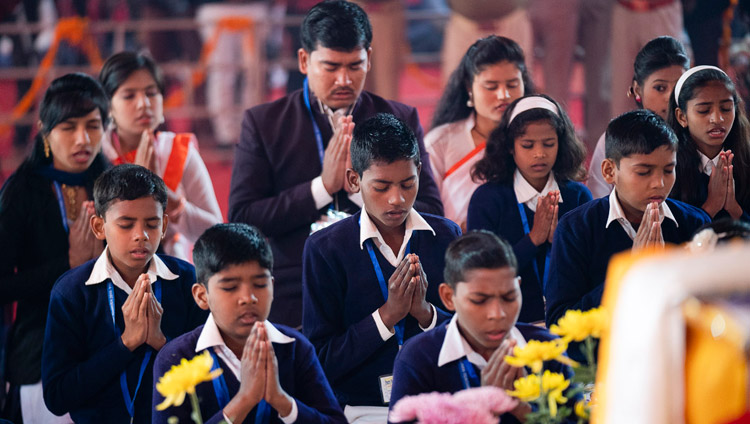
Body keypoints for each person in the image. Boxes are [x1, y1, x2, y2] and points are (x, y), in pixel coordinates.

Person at [228, 0, 443, 328]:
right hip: (296, 286)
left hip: (383, 278)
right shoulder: (265, 123)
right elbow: (242, 219)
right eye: (330, 66)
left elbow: (431, 211)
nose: (344, 79)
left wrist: (362, 191)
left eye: (354, 65)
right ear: (304, 60)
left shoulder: (400, 118)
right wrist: (321, 188)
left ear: (369, 59)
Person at [302, 113, 460, 423]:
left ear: (420, 171)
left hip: (434, 403)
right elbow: (321, 361)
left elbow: (466, 332)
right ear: (354, 180)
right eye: (382, 186)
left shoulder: (444, 236)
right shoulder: (325, 248)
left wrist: (426, 314)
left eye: (407, 184)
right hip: (361, 408)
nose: (397, 199)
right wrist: (387, 316)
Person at [42, 164, 208, 423]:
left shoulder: (188, 282)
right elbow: (56, 397)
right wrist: (126, 343)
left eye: (151, 224)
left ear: (164, 224)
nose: (140, 236)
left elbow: (211, 380)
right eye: (126, 225)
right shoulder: (71, 292)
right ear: (99, 227)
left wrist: (163, 344)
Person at [152, 223, 347, 424]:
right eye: (230, 287)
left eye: (260, 284)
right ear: (202, 296)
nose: (248, 297)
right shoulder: (178, 357)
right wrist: (244, 400)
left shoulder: (294, 347)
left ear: (272, 287)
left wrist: (282, 401)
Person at [0, 73, 109, 424]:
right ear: (45, 130)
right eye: (68, 127)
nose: (83, 139)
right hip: (40, 355)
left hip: (110, 348)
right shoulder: (22, 192)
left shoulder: (111, 185)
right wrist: (69, 265)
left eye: (93, 125)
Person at [545, 109, 711, 330]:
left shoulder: (694, 223)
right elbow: (559, 324)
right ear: (609, 171)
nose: (659, 184)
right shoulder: (577, 228)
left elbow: (711, 312)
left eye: (669, 170)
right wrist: (629, 271)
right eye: (644, 172)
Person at [388, 231, 574, 424]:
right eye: (479, 300)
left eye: (509, 297)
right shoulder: (418, 358)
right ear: (448, 297)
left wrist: (523, 410)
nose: (497, 313)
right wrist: (480, 411)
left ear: (518, 286)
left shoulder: (546, 348)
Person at [468, 95, 591, 324]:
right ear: (510, 147)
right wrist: (533, 239)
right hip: (509, 324)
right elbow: (480, 272)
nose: (539, 154)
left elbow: (591, 269)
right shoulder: (487, 199)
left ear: (561, 144)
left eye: (548, 144)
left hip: (570, 324)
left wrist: (562, 243)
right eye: (527, 145)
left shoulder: (578, 195)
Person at [99, 51, 223, 262]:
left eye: (151, 93)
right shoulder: (97, 155)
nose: (143, 104)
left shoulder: (177, 150)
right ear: (109, 107)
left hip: (173, 269)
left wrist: (168, 197)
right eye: (129, 95)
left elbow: (218, 237)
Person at [427, 35, 533, 230]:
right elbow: (425, 213)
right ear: (469, 88)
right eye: (491, 86)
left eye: (512, 85)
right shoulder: (440, 143)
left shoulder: (537, 139)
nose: (504, 95)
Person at [588, 36, 690, 198]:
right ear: (637, 90)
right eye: (660, 88)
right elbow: (597, 203)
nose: (671, 97)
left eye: (679, 87)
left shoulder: (699, 135)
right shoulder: (615, 139)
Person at [668, 65, 750, 221]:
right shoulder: (668, 167)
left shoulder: (746, 158)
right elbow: (672, 238)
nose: (717, 119)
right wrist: (711, 207)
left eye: (726, 108)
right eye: (704, 110)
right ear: (682, 117)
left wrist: (734, 209)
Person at [609, 0, 684, 119]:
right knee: (621, 89)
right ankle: (622, 136)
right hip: (624, 8)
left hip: (661, 8)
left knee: (668, 85)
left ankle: (671, 136)